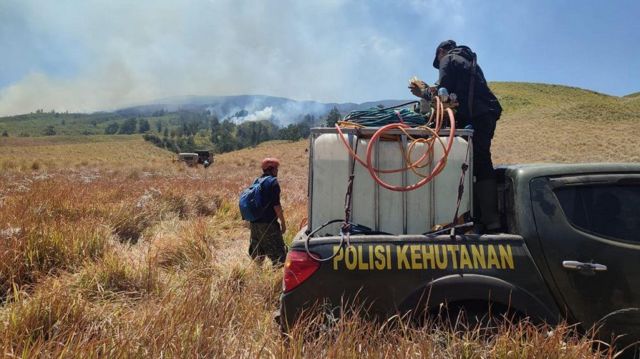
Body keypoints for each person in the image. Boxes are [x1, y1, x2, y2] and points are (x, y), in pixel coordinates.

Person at [411, 40, 502, 232]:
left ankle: (486, 220)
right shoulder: (468, 61)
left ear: (440, 51)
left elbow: (443, 97)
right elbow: (452, 93)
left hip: (476, 116)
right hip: (485, 114)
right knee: (480, 162)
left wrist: (422, 93)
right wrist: (431, 90)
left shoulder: (448, 58)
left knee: (477, 162)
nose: (439, 65)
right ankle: (484, 219)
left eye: (437, 60)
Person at [248, 157, 287, 265]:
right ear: (271, 169)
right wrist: (283, 223)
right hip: (268, 224)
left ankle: (256, 277)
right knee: (279, 256)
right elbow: (276, 206)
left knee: (258, 255)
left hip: (254, 224)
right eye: (276, 169)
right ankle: (277, 281)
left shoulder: (257, 181)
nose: (277, 171)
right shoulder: (273, 182)